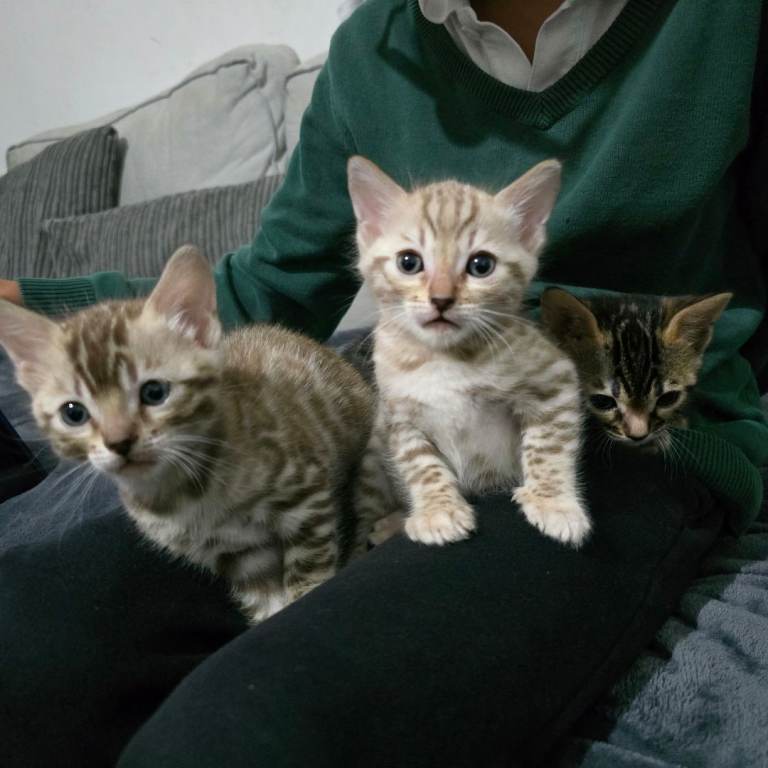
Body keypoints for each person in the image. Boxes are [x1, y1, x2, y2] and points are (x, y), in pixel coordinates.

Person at [0, 1, 765, 765]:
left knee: (241, 732)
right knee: (29, 651)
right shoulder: (373, 48)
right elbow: (270, 284)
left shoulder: (721, 23)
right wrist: (36, 307)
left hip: (618, 425)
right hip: (391, 400)